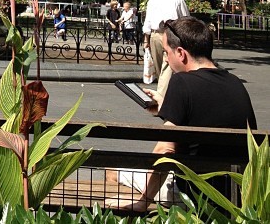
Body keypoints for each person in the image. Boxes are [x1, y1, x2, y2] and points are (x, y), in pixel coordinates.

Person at [108, 16, 257, 212]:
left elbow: (165, 150)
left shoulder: (182, 82)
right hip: (238, 191)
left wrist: (143, 202)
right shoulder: (234, 82)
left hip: (196, 194)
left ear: (180, 53)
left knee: (113, 172)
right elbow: (207, 111)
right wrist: (167, 107)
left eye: (166, 52)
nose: (165, 58)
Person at [142, 0, 189, 95]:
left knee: (162, 67)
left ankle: (161, 96)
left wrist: (146, 39)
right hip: (171, 35)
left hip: (155, 34)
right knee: (166, 67)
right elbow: (185, 19)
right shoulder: (179, 0)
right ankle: (165, 93)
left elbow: (148, 19)